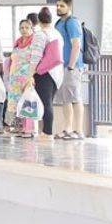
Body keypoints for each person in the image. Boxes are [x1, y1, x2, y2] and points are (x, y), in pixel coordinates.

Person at [6, 18, 44, 138]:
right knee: (16, 103)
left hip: (27, 76)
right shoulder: (18, 43)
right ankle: (19, 127)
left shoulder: (34, 43)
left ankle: (29, 129)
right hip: (14, 78)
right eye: (22, 28)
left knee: (27, 102)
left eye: (27, 27)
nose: (24, 30)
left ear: (32, 28)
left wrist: (31, 76)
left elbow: (35, 60)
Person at [55, 0, 86, 140]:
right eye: (57, 5)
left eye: (62, 6)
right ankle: (67, 128)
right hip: (61, 66)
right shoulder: (58, 23)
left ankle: (78, 130)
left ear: (69, 7)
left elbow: (76, 45)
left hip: (71, 67)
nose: (59, 8)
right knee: (65, 99)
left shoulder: (72, 23)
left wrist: (71, 66)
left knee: (75, 97)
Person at [35, 7, 64, 139]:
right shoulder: (57, 33)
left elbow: (36, 56)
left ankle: (47, 132)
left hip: (44, 72)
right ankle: (46, 131)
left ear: (39, 20)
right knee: (48, 102)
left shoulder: (41, 34)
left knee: (45, 103)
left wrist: (31, 73)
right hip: (57, 73)